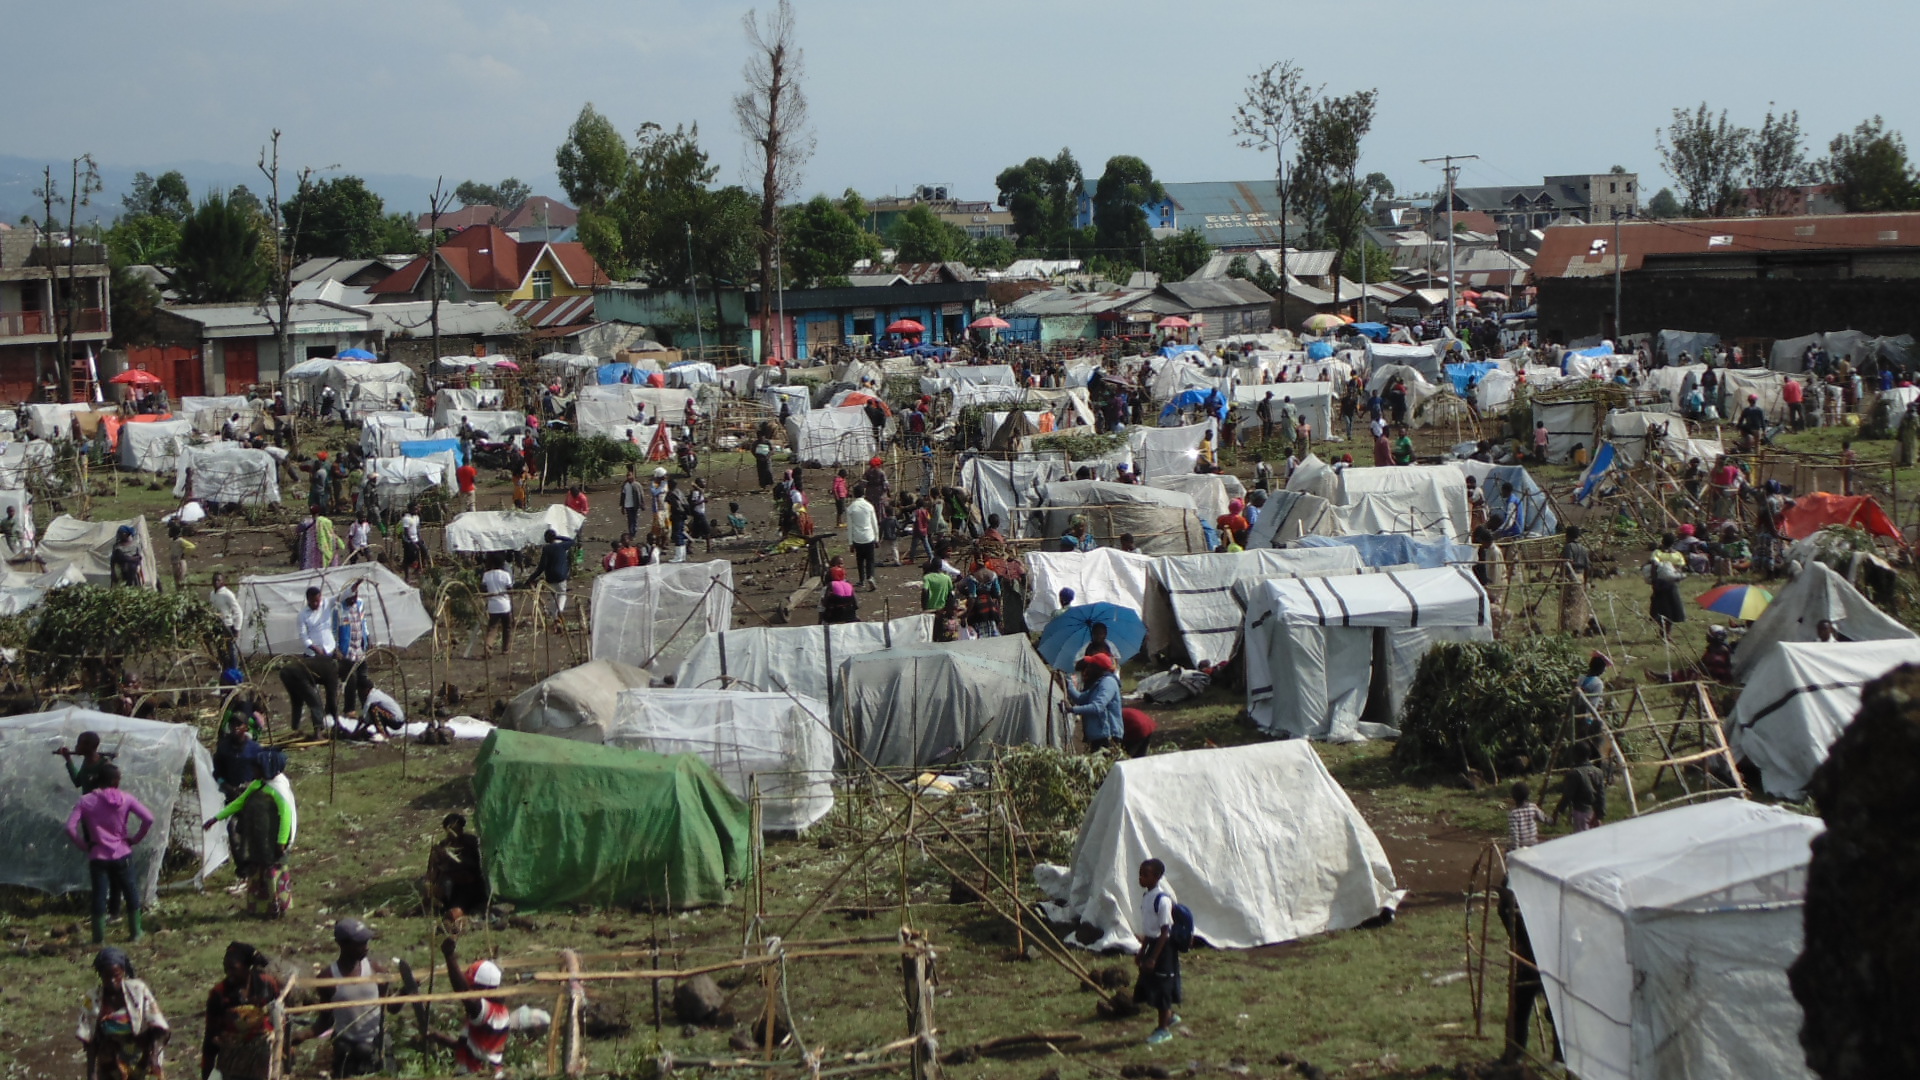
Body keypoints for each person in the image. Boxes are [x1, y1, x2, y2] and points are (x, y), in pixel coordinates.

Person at [294, 918, 398, 1077]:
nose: (366, 947)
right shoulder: (327, 978)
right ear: (343, 944)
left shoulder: (375, 970)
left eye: (366, 941)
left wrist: (407, 990)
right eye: (360, 943)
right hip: (347, 1049)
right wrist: (301, 1036)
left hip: (376, 1045)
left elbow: (391, 1007)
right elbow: (325, 1021)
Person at [66, 764, 154, 943]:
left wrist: (84, 845)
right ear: (116, 781)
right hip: (122, 852)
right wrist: (135, 839)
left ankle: (98, 938)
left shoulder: (86, 801)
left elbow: (69, 827)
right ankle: (136, 933)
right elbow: (148, 818)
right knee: (130, 891)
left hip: (98, 854)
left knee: (99, 894)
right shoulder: (126, 798)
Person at [204, 756, 295, 918]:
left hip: (272, 841)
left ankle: (276, 907)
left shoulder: (278, 790)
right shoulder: (257, 785)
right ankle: (258, 907)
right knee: (256, 870)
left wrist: (281, 841)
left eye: (257, 768)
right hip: (257, 838)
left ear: (267, 769)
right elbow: (239, 802)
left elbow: (287, 817)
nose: (253, 771)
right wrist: (216, 818)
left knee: (272, 872)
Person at [79, 946, 171, 1080]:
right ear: (100, 975)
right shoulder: (93, 998)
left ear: (123, 972)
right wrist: (91, 1074)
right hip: (110, 1065)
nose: (112, 981)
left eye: (116, 976)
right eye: (106, 976)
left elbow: (159, 1027)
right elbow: (90, 1039)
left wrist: (155, 1057)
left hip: (143, 1060)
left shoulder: (138, 991)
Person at [430, 938, 514, 1079]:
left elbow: (462, 991)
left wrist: (449, 956)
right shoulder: (498, 1011)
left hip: (480, 1075)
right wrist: (440, 1038)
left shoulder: (487, 1011)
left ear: (483, 988)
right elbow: (473, 1049)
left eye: (472, 987)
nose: (471, 990)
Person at [201, 942, 283, 1080]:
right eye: (226, 968)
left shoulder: (267, 985)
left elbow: (280, 1019)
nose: (228, 973)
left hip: (263, 1058)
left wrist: (284, 1050)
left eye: (233, 969)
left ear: (247, 968)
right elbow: (210, 1036)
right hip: (232, 1062)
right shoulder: (219, 994)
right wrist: (207, 1075)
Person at [1134, 858, 1182, 1046]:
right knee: (1149, 984)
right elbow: (1149, 930)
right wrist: (1142, 951)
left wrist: (1153, 957)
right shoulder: (1148, 897)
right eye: (1140, 874)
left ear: (1157, 877)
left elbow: (1165, 932)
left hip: (1163, 949)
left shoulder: (1162, 901)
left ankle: (1163, 1030)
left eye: (1145, 875)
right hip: (1153, 945)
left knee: (1163, 987)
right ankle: (1168, 1016)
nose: (1141, 878)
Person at [427, 813, 488, 925]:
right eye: (450, 830)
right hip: (450, 887)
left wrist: (455, 866)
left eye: (456, 829)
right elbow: (431, 874)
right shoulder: (443, 846)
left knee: (454, 913)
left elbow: (473, 873)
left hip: (470, 888)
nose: (454, 834)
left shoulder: (471, 844)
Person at [1067, 653, 1122, 751]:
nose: (1088, 668)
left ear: (1098, 668)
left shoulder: (1108, 683)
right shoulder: (1098, 683)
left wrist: (1072, 709)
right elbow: (1081, 699)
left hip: (1107, 736)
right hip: (1098, 734)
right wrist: (1069, 684)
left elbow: (1097, 707)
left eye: (1091, 665)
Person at [520, 528, 575, 620]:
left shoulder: (546, 549)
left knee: (553, 597)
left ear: (546, 539)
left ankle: (555, 617)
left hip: (550, 577)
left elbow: (541, 567)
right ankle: (559, 612)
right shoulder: (562, 546)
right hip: (561, 576)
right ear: (554, 538)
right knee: (562, 594)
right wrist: (558, 537)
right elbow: (572, 541)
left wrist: (531, 578)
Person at [1646, 534, 1687, 637]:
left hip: (1660, 585)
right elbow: (1679, 570)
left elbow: (1653, 567)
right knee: (1672, 610)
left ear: (1662, 542)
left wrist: (1654, 581)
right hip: (1672, 585)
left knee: (1660, 609)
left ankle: (1663, 631)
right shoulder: (1677, 555)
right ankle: (1667, 633)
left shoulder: (1657, 553)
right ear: (1673, 543)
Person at [1554, 756, 1608, 832]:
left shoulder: (1574, 773)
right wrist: (1600, 814)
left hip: (1581, 812)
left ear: (1576, 754)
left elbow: (1567, 795)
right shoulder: (1598, 771)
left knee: (1582, 840)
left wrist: (1559, 810)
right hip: (1594, 813)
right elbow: (1601, 795)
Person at [57, 729, 117, 793]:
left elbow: (111, 793)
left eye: (79, 743)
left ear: (88, 746)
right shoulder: (87, 762)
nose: (76, 746)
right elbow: (78, 782)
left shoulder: (105, 766)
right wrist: (68, 759)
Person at [846, 484, 879, 589]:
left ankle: (861, 580)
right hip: (869, 536)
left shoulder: (851, 508)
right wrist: (877, 538)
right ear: (864, 494)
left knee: (860, 560)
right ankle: (870, 577)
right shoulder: (869, 506)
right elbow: (874, 523)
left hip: (857, 538)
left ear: (854, 494)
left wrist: (850, 543)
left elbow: (850, 527)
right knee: (870, 560)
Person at [481, 555, 513, 656]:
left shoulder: (486, 575)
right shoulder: (505, 575)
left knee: (492, 627)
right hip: (505, 605)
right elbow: (510, 589)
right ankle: (505, 649)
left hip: (493, 606)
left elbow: (483, 589)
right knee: (506, 627)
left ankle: (488, 645)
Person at [964, 565, 1003, 637]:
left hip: (978, 609)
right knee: (993, 634)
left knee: (981, 637)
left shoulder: (972, 577)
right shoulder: (993, 575)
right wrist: (998, 610)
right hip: (991, 607)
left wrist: (967, 613)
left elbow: (972, 597)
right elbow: (998, 594)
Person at [1507, 781, 1547, 850]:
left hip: (1522, 847)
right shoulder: (1533, 807)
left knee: (1507, 853)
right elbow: (1543, 818)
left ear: (1513, 796)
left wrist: (1515, 850)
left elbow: (1514, 835)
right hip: (1534, 844)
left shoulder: (1513, 813)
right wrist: (1551, 820)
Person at [399, 502, 424, 578]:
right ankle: (407, 577)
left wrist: (420, 539)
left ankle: (418, 570)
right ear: (410, 509)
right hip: (408, 541)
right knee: (408, 559)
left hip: (416, 538)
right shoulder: (406, 519)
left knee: (424, 552)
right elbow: (406, 533)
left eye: (417, 508)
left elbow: (417, 529)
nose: (417, 510)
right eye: (415, 509)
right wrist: (413, 543)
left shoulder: (416, 517)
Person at [620, 468, 644, 539]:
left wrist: (642, 504)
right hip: (628, 505)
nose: (629, 477)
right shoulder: (625, 485)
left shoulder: (637, 485)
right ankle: (631, 533)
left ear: (633, 476)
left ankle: (634, 532)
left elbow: (641, 495)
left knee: (635, 519)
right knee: (630, 520)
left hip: (635, 505)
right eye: (628, 476)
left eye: (630, 475)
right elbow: (623, 496)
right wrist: (622, 507)